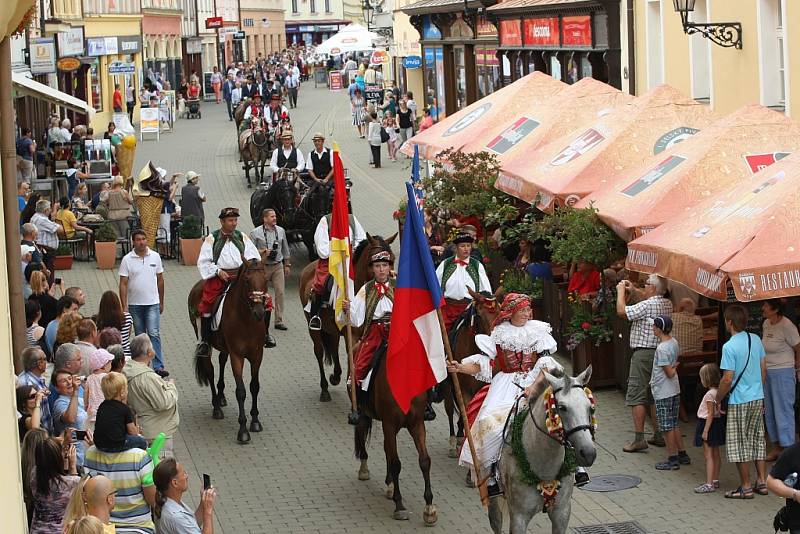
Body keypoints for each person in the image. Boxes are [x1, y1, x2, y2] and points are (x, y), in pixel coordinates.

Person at [447, 293, 561, 497]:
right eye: (524, 310)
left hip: (537, 379)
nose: (529, 313)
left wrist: (534, 388)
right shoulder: (498, 334)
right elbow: (485, 364)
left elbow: (546, 363)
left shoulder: (539, 331)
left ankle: (575, 467)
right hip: (506, 383)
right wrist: (461, 367)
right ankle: (491, 474)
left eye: (529, 309)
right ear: (512, 313)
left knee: (564, 413)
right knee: (488, 422)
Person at [715, 304, 768, 499]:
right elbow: (764, 370)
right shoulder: (755, 339)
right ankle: (762, 481)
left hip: (739, 400)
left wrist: (718, 399)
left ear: (729, 322)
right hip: (757, 396)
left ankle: (745, 486)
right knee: (757, 439)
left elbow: (727, 379)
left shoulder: (728, 347)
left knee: (739, 443)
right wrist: (757, 389)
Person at [617, 274, 673, 452]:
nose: (644, 286)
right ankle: (658, 434)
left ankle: (639, 438)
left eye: (646, 284)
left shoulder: (648, 305)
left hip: (643, 353)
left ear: (653, 288)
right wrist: (634, 290)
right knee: (654, 395)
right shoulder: (667, 303)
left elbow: (622, 311)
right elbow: (647, 297)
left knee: (637, 394)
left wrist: (620, 292)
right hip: (660, 352)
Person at [343, 247, 394, 390]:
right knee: (362, 362)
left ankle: (427, 401)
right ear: (372, 269)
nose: (381, 270)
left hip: (397, 331)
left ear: (389, 267)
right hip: (375, 332)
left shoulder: (399, 286)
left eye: (384, 265)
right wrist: (348, 308)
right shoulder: (366, 289)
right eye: (377, 266)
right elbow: (356, 316)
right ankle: (358, 398)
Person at [307, 209, 367, 331]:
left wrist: (352, 251)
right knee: (322, 283)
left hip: (350, 260)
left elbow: (361, 239)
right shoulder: (325, 221)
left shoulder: (352, 220)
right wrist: (338, 248)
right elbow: (322, 250)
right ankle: (316, 314)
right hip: (331, 262)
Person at [119, 229, 167, 377]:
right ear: (133, 242)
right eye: (138, 239)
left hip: (152, 302)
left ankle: (158, 366)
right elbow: (123, 283)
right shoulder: (127, 259)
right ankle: (142, 365)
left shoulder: (155, 256)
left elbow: (160, 280)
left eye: (144, 239)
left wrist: (161, 301)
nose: (141, 242)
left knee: (154, 333)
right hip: (135, 304)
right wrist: (124, 305)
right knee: (140, 336)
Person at [123, 334, 179, 457]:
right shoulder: (147, 377)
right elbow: (163, 403)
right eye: (152, 347)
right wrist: (171, 386)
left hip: (142, 427)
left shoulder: (126, 371)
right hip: (157, 433)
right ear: (149, 352)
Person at [83, 440, 156, 533]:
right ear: (109, 499)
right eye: (114, 492)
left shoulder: (89, 453)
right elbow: (153, 500)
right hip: (140, 527)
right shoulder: (140, 457)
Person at [761, 299, 800, 462]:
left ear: (775, 309)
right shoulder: (766, 323)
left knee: (783, 410)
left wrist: (797, 367)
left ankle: (788, 449)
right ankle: (777, 446)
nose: (763, 308)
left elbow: (798, 347)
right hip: (767, 372)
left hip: (783, 372)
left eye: (766, 306)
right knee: (769, 411)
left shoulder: (787, 325)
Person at [649, 315, 689, 470]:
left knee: (666, 426)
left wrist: (675, 366)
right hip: (674, 389)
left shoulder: (662, 348)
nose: (652, 328)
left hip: (663, 390)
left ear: (660, 329)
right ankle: (682, 453)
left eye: (654, 326)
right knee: (673, 423)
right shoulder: (674, 342)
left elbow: (669, 372)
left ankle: (672, 458)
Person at [435, 233, 492, 332]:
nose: (466, 249)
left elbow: (486, 291)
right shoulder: (445, 264)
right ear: (456, 248)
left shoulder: (477, 266)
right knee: (440, 334)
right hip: (448, 309)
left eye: (468, 246)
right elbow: (436, 286)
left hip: (469, 310)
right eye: (462, 246)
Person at [29, 438, 80, 534]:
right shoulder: (71, 483)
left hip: (36, 530)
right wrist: (72, 466)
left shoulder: (34, 476)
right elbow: (76, 493)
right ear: (58, 458)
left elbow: (48, 469)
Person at [251, 209, 290, 333]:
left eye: (275, 216)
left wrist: (287, 264)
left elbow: (285, 249)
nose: (275, 218)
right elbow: (249, 252)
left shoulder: (281, 230)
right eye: (272, 216)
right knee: (260, 293)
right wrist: (262, 252)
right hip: (263, 267)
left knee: (280, 293)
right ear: (265, 219)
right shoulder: (255, 233)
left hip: (278, 265)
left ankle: (278, 320)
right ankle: (259, 316)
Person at [153, 458, 217, 534]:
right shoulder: (176, 517)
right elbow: (184, 523)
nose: (187, 476)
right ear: (175, 483)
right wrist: (208, 512)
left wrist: (203, 504)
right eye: (183, 473)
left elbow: (191, 524)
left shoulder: (165, 500)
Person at [94, 371, 148, 453]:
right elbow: (132, 432)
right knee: (141, 441)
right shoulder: (124, 409)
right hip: (117, 444)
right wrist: (137, 433)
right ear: (122, 392)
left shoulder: (102, 406)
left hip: (100, 444)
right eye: (126, 388)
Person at [693, 363, 724, 493]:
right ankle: (715, 479)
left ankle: (709, 483)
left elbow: (710, 413)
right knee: (716, 453)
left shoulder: (709, 394)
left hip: (707, 423)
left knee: (708, 455)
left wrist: (705, 431)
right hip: (716, 424)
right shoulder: (718, 392)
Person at [51, 367, 89, 466]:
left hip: (88, 452)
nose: (69, 382)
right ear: (57, 388)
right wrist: (75, 391)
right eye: (63, 381)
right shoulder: (59, 403)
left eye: (69, 378)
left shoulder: (79, 399)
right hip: (75, 458)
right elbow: (71, 418)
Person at [18, 347, 53, 433]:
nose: (47, 362)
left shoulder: (39, 377)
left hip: (46, 431)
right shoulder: (25, 382)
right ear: (38, 363)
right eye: (45, 359)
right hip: (36, 434)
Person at [96, 290, 134, 359]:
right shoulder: (127, 317)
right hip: (125, 354)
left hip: (106, 356)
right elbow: (127, 335)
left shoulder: (99, 320)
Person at [85, 348, 113, 430]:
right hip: (105, 412)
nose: (111, 364)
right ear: (104, 366)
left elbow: (86, 394)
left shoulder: (89, 378)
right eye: (110, 362)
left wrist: (86, 405)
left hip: (92, 412)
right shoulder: (107, 378)